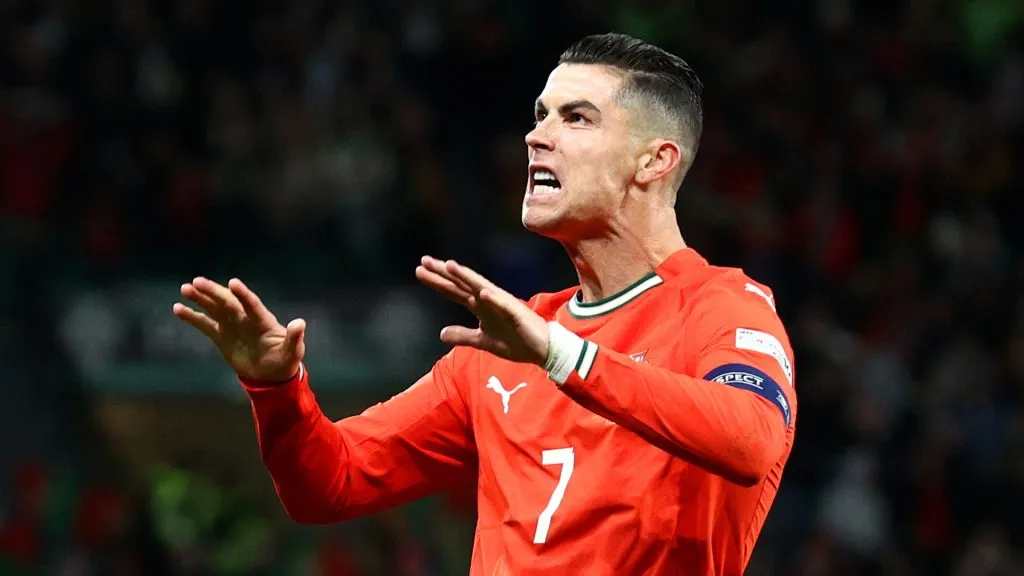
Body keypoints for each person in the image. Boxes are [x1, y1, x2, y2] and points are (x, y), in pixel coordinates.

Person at [172, 32, 797, 575]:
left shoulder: (723, 309)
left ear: (654, 161)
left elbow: (752, 441)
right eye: (541, 115)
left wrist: (561, 356)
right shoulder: (503, 346)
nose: (536, 136)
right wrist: (276, 390)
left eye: (576, 118)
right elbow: (329, 485)